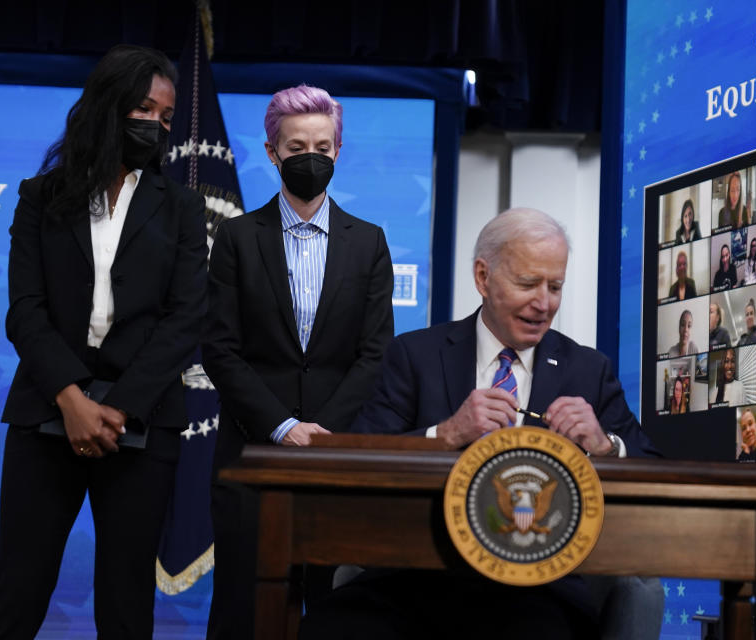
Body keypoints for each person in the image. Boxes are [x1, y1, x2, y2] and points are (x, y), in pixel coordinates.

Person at [312, 208, 661, 640]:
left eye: (555, 287)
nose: (544, 303)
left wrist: (605, 445)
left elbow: (654, 467)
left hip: (538, 589)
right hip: (416, 574)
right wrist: (446, 435)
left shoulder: (589, 370)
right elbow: (357, 458)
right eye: (528, 284)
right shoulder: (415, 356)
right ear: (483, 277)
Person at [0, 46, 207, 639]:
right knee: (18, 591)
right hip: (47, 411)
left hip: (143, 418)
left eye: (165, 114)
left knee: (127, 603)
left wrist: (118, 408)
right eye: (142, 108)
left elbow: (185, 319)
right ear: (107, 108)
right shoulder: (40, 195)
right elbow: (24, 311)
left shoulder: (181, 207)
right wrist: (72, 400)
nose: (154, 124)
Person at [202, 84, 395, 640]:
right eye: (295, 147)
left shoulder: (370, 243)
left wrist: (323, 433)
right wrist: (284, 428)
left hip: (337, 463)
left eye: (321, 145)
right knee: (242, 610)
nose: (309, 157)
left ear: (337, 150)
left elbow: (375, 352)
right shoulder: (237, 238)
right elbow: (220, 348)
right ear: (271, 153)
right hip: (251, 453)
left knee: (335, 614)